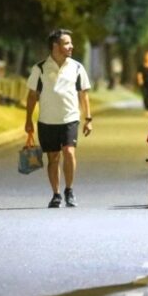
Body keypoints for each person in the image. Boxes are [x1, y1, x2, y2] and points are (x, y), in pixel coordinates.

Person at [24, 29, 93, 208]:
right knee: (53, 158)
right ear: (55, 46)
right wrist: (28, 120)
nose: (71, 46)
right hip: (47, 121)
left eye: (70, 43)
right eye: (67, 43)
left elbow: (83, 94)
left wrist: (88, 118)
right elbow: (32, 96)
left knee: (69, 152)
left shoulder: (77, 67)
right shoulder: (40, 68)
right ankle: (56, 194)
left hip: (70, 118)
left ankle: (69, 190)